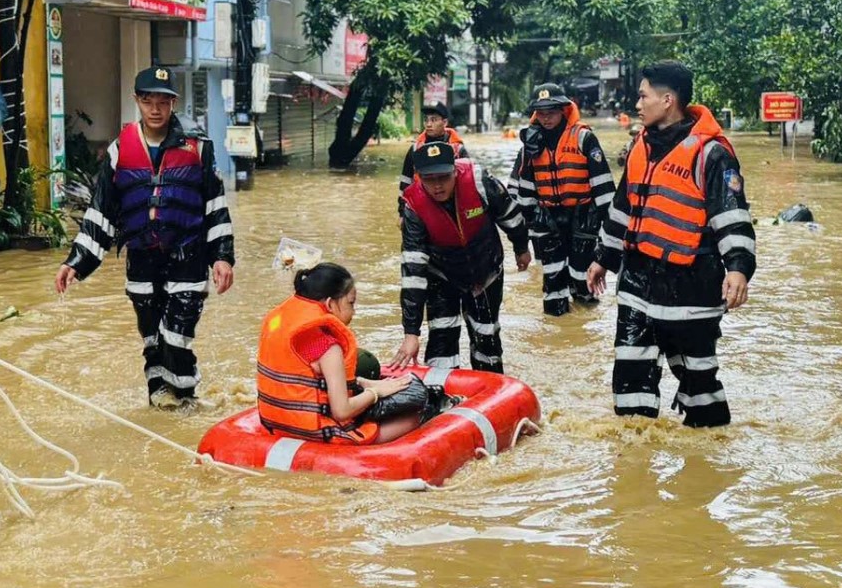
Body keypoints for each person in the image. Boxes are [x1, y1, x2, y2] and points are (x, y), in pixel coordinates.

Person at [587, 61, 755, 428]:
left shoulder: (713, 154)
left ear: (667, 100)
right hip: (637, 283)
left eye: (642, 96)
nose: (637, 104)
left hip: (691, 286)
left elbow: (731, 216)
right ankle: (634, 470)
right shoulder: (639, 148)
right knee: (630, 380)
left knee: (698, 381)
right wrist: (602, 258)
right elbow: (622, 207)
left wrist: (739, 268)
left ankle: (708, 457)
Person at [55, 66, 235, 408]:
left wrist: (222, 256)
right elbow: (101, 211)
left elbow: (215, 206)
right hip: (142, 261)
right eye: (148, 101)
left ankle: (186, 399)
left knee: (176, 336)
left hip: (188, 258)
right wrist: (76, 262)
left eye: (163, 102)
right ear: (136, 101)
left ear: (173, 104)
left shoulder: (199, 147)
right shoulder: (120, 150)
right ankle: (159, 402)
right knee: (152, 338)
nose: (155, 109)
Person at [392, 143, 530, 373]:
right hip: (441, 274)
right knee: (441, 335)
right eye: (429, 179)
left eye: (444, 177)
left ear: (455, 171)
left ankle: (490, 387)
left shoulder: (479, 181)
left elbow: (510, 215)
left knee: (486, 335)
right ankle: (440, 394)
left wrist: (521, 248)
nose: (437, 186)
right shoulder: (413, 207)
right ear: (419, 178)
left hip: (486, 269)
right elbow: (413, 273)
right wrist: (411, 333)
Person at [257, 263, 427, 445]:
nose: (354, 312)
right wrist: (375, 392)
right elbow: (342, 411)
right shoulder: (328, 346)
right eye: (351, 303)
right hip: (319, 433)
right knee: (415, 417)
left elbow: (305, 379)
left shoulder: (280, 324)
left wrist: (362, 382)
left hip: (277, 424)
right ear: (330, 304)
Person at [507, 83, 615, 316]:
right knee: (553, 281)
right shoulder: (530, 146)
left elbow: (604, 188)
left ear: (563, 110)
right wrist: (532, 227)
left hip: (583, 216)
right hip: (548, 219)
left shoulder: (584, 138)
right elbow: (524, 191)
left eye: (552, 112)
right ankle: (558, 328)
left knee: (581, 278)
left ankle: (583, 328)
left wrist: (608, 234)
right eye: (541, 113)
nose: (546, 118)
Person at [399, 102, 468, 211]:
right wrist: (402, 212)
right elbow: (405, 182)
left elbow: (467, 182)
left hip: (452, 207)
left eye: (434, 120)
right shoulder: (415, 150)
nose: (428, 124)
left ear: (445, 122)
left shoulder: (458, 150)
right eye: (426, 120)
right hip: (422, 205)